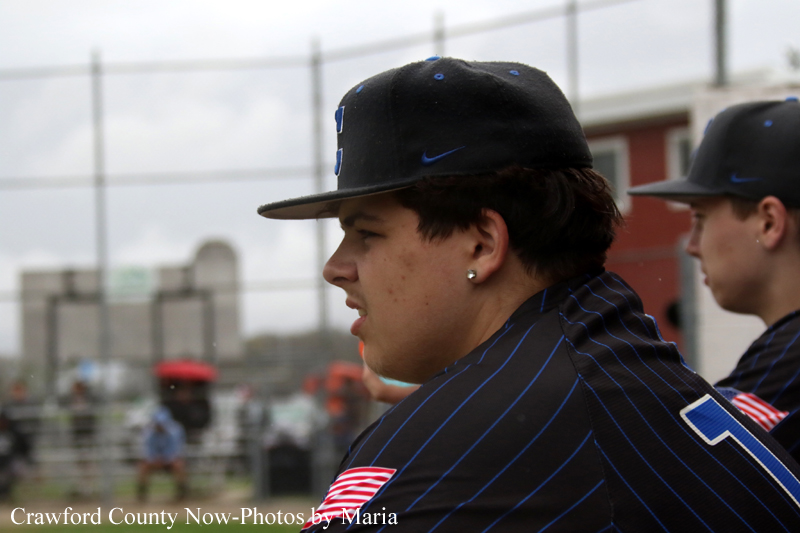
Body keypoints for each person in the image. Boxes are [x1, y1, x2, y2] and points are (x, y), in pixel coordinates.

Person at [259, 58, 800, 531]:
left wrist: (464, 409)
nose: (336, 268)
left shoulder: (436, 460)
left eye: (367, 232)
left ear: (481, 244)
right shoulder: (638, 366)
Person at [629, 99, 800, 460]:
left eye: (701, 218)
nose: (692, 245)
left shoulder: (787, 366)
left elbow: (682, 485)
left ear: (769, 222)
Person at [137, 406, 187, 503]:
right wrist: (155, 459)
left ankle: (181, 494)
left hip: (170, 461)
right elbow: (147, 450)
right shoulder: (149, 432)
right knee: (143, 466)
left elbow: (176, 450)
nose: (160, 426)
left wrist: (165, 459)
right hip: (155, 461)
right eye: (158, 423)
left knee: (179, 465)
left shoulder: (175, 431)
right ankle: (141, 495)